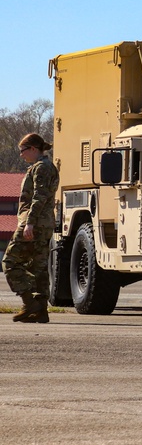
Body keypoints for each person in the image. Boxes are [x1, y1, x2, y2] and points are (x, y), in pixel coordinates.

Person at [2, 133, 59, 323]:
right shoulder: (44, 167)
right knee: (39, 267)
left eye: (23, 151)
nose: (21, 155)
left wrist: (30, 222)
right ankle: (41, 311)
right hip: (44, 224)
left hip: (34, 223)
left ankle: (30, 303)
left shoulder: (41, 168)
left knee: (9, 262)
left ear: (33, 149)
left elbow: (39, 197)